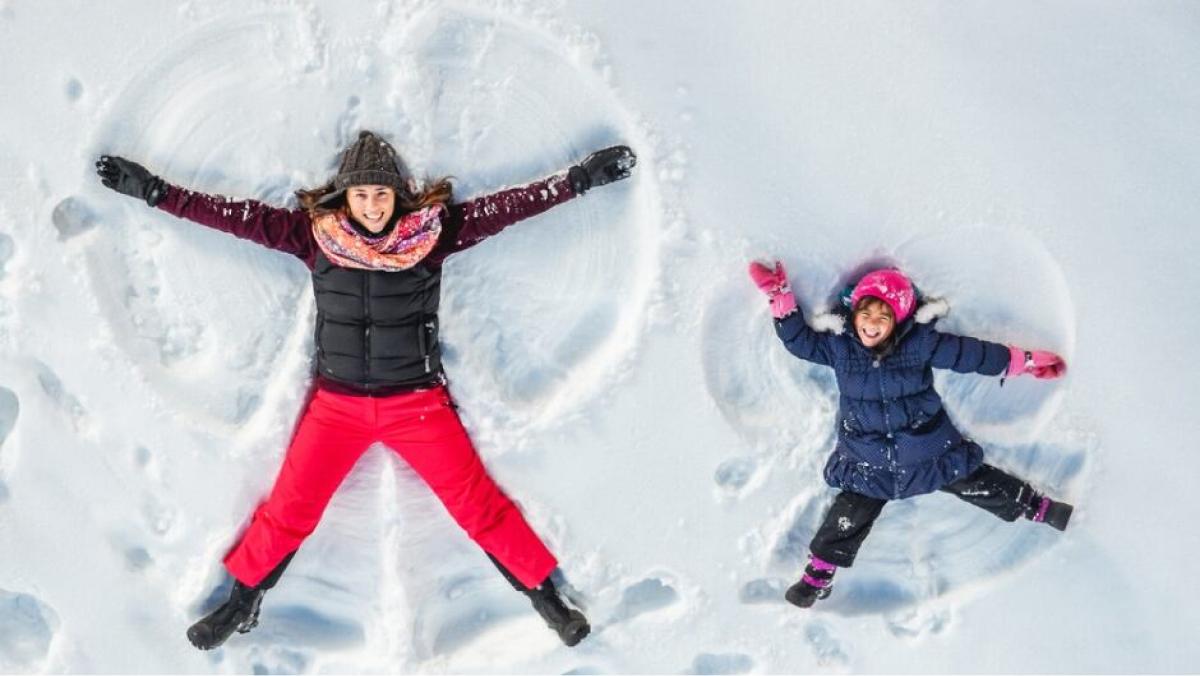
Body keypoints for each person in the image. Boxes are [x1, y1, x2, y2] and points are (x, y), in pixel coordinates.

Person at [95, 130, 636, 648]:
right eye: (362, 194)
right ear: (344, 196)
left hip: (418, 406)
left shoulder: (432, 234)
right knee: (290, 508)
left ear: (398, 196)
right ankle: (242, 601)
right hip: (338, 408)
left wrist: (579, 180)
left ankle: (546, 599)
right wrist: (153, 191)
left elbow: (510, 206)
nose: (372, 206)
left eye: (381, 194)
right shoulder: (315, 236)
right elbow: (229, 216)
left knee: (478, 506)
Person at [747, 262, 1073, 608]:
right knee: (849, 513)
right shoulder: (839, 348)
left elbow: (971, 355)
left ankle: (1035, 506)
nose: (872, 324)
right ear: (854, 311)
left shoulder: (918, 345)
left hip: (927, 449)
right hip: (868, 458)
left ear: (897, 322)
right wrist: (779, 296)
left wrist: (1024, 361)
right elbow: (800, 342)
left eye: (883, 318)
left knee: (976, 480)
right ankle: (819, 574)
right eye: (866, 313)